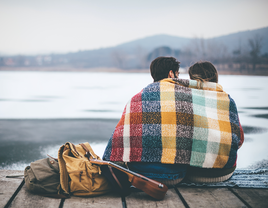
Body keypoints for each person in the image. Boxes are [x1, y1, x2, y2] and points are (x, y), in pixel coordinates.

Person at [103, 57, 244, 186]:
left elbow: (118, 140)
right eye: (178, 74)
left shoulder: (136, 98)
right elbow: (239, 141)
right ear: (172, 74)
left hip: (140, 174)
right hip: (205, 173)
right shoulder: (203, 99)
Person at [186, 61, 244, 183]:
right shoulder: (228, 100)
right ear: (215, 77)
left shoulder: (185, 99)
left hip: (191, 173)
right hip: (224, 172)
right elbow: (240, 140)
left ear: (191, 79)